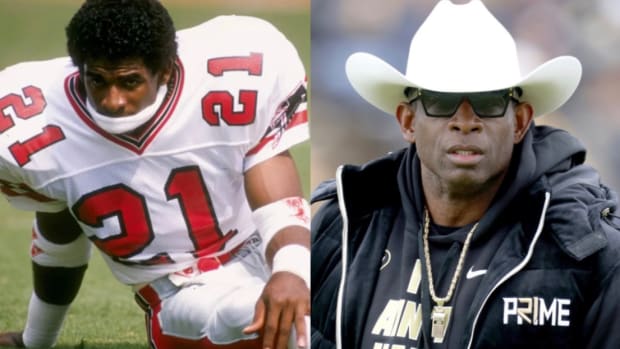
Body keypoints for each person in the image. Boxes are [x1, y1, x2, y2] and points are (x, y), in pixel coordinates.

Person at [0, 0, 310, 348]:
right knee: (282, 324)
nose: (112, 100)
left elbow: (276, 193)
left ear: (164, 71)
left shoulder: (234, 72)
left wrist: (291, 270)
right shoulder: (34, 121)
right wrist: (35, 340)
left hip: (265, 250)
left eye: (129, 81)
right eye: (97, 80)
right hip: (181, 290)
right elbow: (60, 231)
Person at [310, 0, 620, 348]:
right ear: (408, 121)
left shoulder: (591, 248)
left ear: (519, 122)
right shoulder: (345, 228)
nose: (465, 121)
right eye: (442, 102)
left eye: (487, 102)